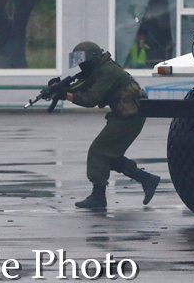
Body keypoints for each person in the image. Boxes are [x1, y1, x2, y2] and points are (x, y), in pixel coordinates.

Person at [63, 41, 160, 209]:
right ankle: (146, 179)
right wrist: (63, 89)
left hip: (129, 116)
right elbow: (86, 87)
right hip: (126, 115)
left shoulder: (108, 71)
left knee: (98, 151)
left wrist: (65, 95)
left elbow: (91, 99)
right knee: (109, 155)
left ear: (92, 59)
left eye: (83, 62)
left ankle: (98, 197)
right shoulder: (101, 69)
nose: (81, 66)